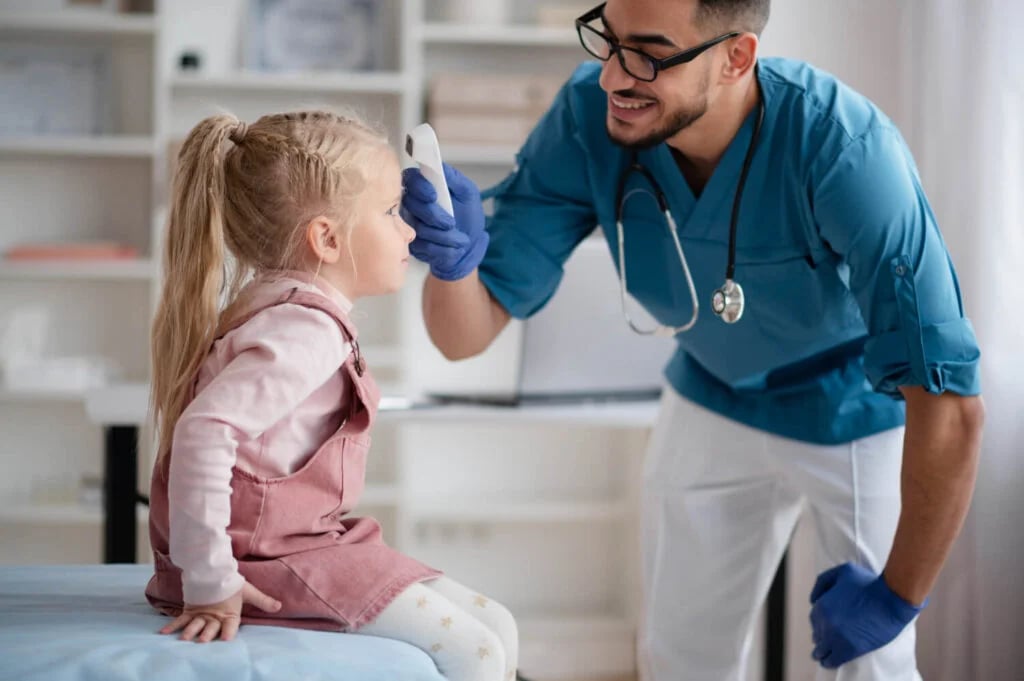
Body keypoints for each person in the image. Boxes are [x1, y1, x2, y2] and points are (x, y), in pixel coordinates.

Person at [400, 1, 985, 679]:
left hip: (852, 405)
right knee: (679, 659)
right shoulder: (589, 116)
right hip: (712, 391)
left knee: (874, 663)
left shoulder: (844, 150)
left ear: (736, 57)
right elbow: (463, 337)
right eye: (608, 40)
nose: (612, 76)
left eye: (649, 54)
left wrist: (897, 596)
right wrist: (453, 263)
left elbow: (952, 407)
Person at [145, 110, 518, 681]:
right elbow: (204, 432)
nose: (409, 231)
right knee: (479, 650)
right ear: (327, 238)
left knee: (497, 626)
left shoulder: (282, 306)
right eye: (391, 212)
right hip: (263, 562)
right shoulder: (305, 331)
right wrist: (211, 580)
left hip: (301, 544)